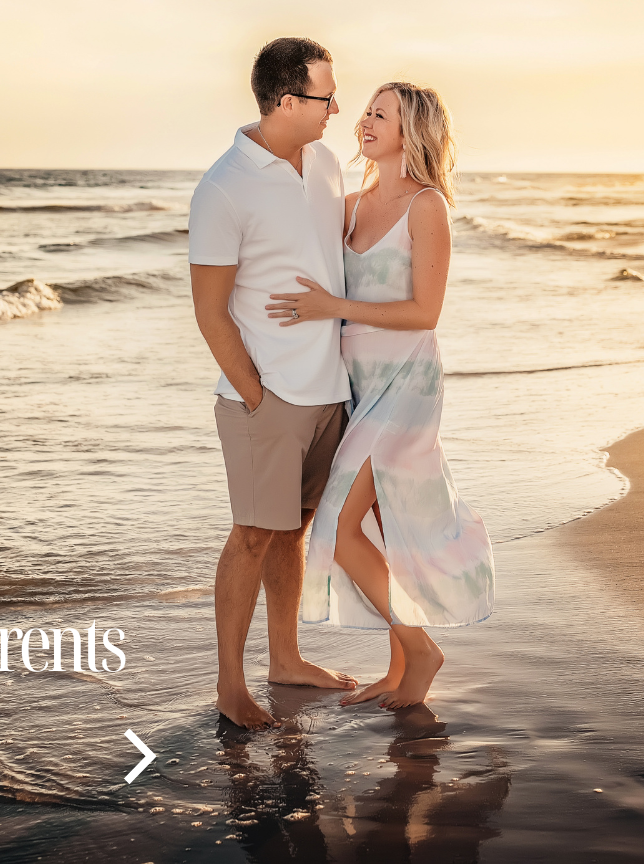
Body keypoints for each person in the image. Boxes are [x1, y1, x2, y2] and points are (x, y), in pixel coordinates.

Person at [265, 82, 495, 709]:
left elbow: (426, 311)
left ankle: (419, 648)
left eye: (381, 114)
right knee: (385, 525)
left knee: (338, 526)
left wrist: (331, 306)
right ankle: (399, 673)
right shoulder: (353, 201)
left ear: (411, 130)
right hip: (357, 386)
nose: (364, 120)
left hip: (408, 383)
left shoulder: (428, 207)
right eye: (365, 110)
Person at [189, 37, 359, 731]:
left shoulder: (322, 162)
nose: (337, 108)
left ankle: (285, 659)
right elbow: (209, 310)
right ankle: (231, 683)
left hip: (330, 391)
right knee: (253, 536)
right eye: (325, 96)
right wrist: (256, 395)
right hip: (269, 398)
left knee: (294, 532)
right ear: (287, 101)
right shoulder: (225, 185)